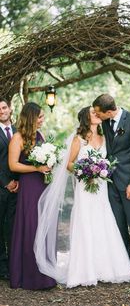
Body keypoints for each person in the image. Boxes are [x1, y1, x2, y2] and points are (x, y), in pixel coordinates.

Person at [34, 106, 130, 287]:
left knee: (103, 221)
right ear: (86, 118)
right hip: (84, 186)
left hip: (101, 187)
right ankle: (85, 270)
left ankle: (106, 268)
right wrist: (84, 170)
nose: (97, 115)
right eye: (93, 113)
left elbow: (109, 161)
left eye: (97, 113)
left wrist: (103, 169)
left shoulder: (105, 138)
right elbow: (69, 164)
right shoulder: (78, 140)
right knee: (86, 222)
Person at [93, 94, 130, 283]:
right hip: (111, 183)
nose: (97, 116)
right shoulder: (106, 123)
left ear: (109, 111)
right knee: (118, 227)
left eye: (99, 113)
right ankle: (127, 266)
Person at [8, 102, 56, 290]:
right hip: (29, 187)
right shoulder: (17, 138)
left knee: (44, 225)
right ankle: (29, 275)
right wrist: (36, 167)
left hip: (43, 185)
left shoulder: (40, 135)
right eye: (40, 117)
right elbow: (13, 165)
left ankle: (44, 274)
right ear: (31, 117)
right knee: (31, 226)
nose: (42, 120)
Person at [0, 98, 18, 280]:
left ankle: (14, 264)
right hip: (1, 187)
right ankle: (2, 267)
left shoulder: (18, 130)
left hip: (19, 188)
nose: (1, 111)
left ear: (10, 109)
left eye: (4, 107)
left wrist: (19, 181)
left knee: (13, 227)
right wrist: (6, 182)